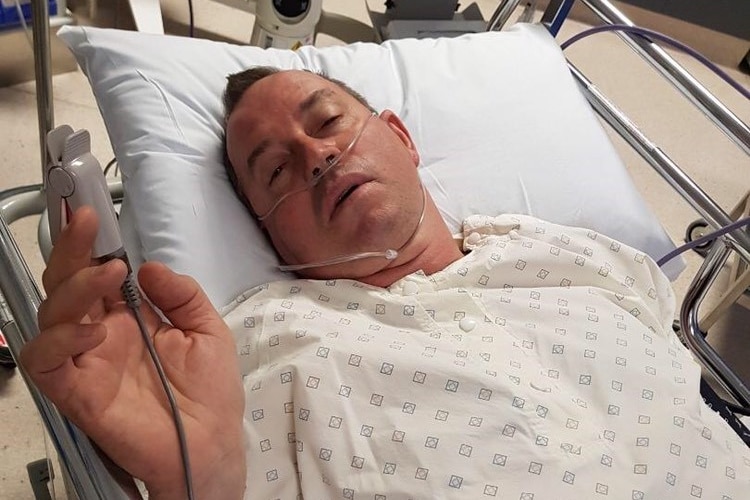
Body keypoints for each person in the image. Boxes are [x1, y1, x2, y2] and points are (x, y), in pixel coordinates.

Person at [20, 68, 750, 499]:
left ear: (400, 137)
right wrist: (192, 478)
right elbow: (193, 455)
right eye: (275, 170)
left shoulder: (582, 258)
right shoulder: (257, 344)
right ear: (271, 234)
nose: (314, 155)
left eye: (329, 121)